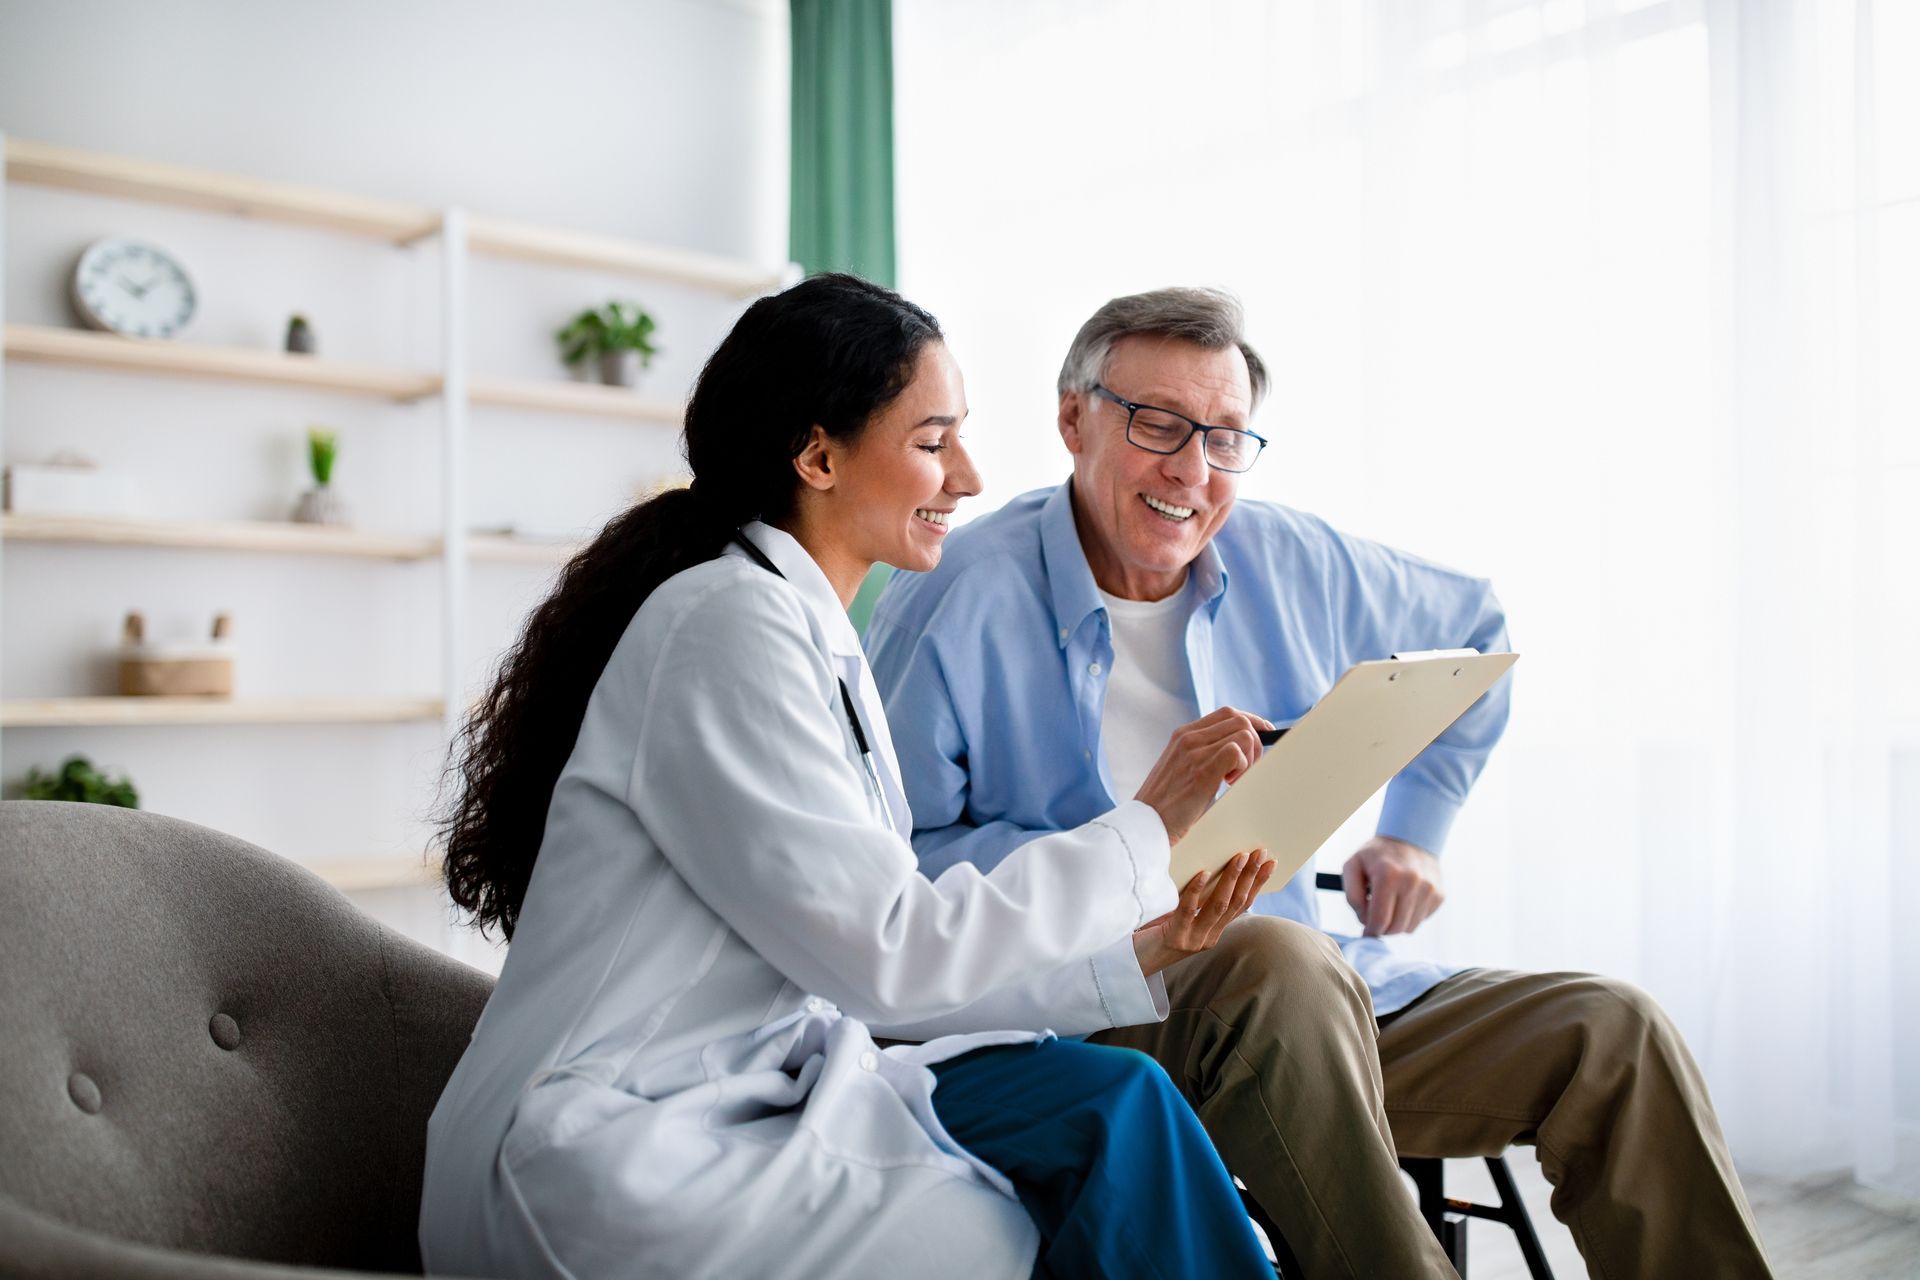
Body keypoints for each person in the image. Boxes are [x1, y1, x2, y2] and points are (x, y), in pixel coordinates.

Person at [866, 286, 1776, 1279]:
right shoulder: (955, 594)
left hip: (1323, 1003)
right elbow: (894, 872)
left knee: (1613, 1032)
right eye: (1157, 424)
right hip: (1094, 1006)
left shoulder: (1291, 557)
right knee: (1275, 958)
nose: (1191, 470)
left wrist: (1414, 830)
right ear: (1072, 417)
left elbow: (1476, 630)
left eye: (1224, 438)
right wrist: (1132, 847)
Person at [417, 274, 1279, 1280]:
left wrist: (1133, 953)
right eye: (932, 441)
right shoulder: (725, 625)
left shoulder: (806, 635)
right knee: (1057, 1185)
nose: (968, 475)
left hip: (746, 1089)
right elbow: (888, 956)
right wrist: (1144, 828)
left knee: (1113, 1106)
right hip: (602, 1141)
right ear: (818, 453)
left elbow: (865, 967)